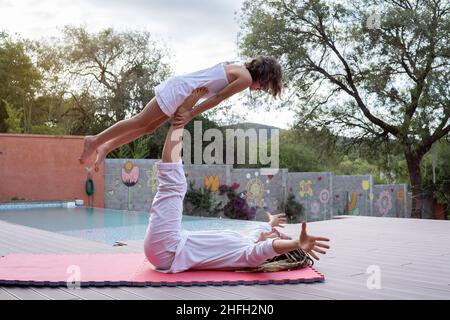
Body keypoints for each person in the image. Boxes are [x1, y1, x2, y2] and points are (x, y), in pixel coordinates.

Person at [144, 90, 330, 273]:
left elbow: (268, 247)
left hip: (169, 250)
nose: (278, 235)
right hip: (168, 247)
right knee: (174, 184)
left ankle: (181, 119)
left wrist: (295, 243)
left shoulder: (249, 255)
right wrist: (271, 223)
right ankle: (181, 119)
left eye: (280, 238)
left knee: (174, 184)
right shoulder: (249, 241)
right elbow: (261, 232)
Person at [78, 56, 283, 171]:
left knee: (148, 127)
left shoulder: (238, 65)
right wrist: (190, 114)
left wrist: (191, 109)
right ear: (265, 77)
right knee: (140, 120)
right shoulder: (245, 78)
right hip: (180, 90)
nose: (261, 90)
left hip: (182, 89)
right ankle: (94, 140)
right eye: (266, 86)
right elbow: (217, 98)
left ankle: (106, 146)